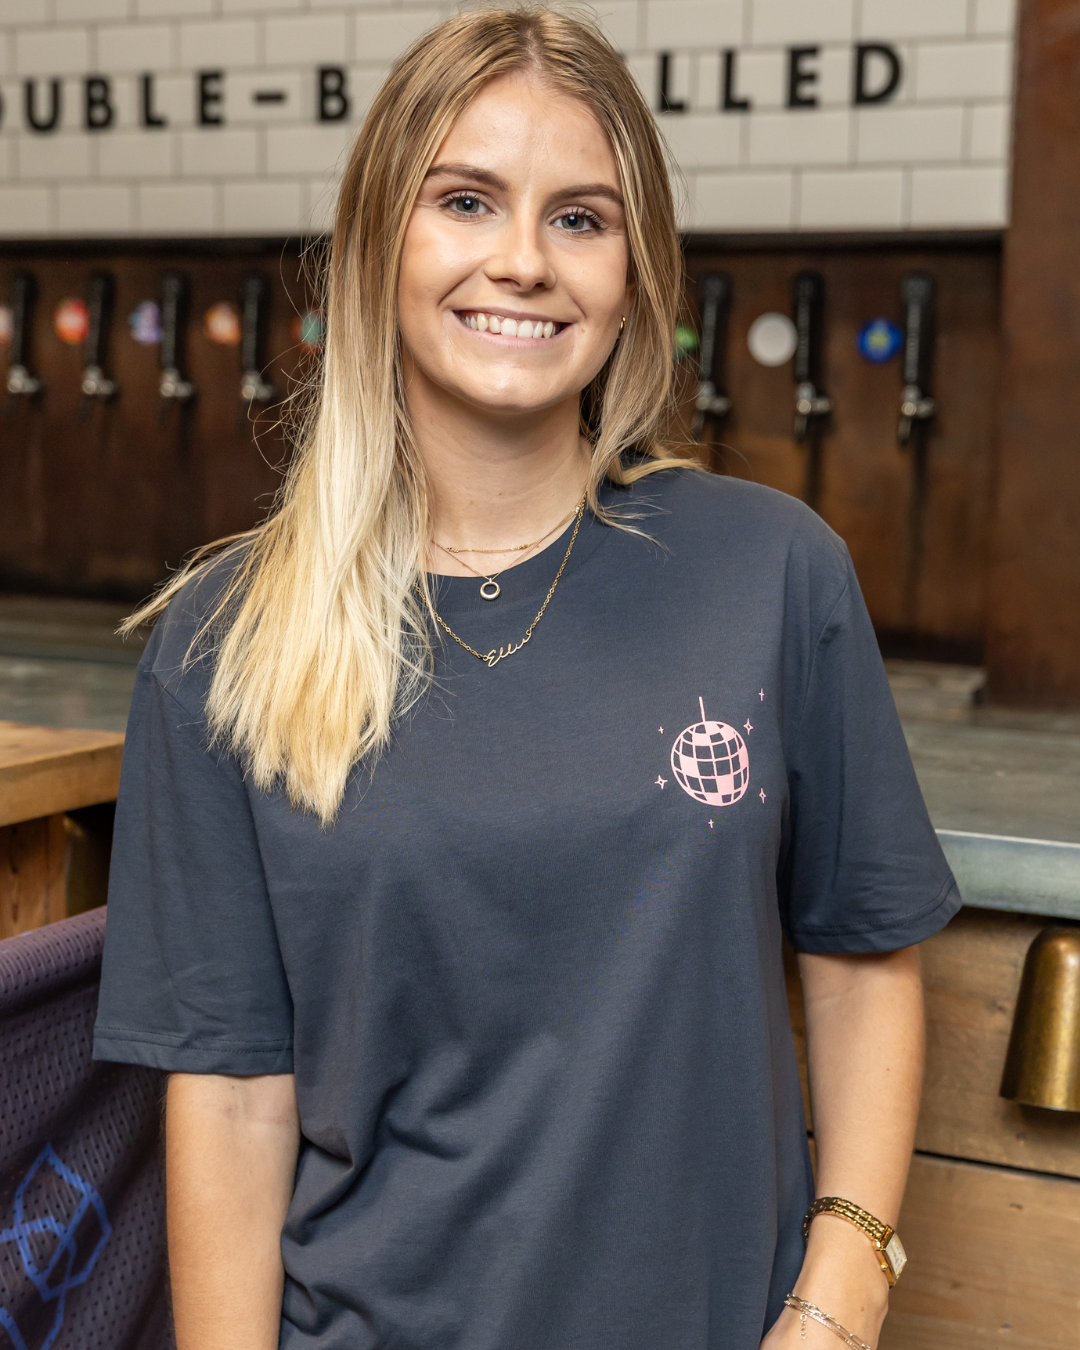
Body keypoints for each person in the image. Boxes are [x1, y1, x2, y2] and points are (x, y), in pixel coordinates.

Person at [93, 9, 960, 1349]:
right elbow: (232, 1098)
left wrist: (838, 1302)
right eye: (466, 199)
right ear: (379, 242)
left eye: (580, 218)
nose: (521, 260)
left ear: (635, 275)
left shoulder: (768, 571)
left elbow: (859, 964)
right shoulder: (224, 641)